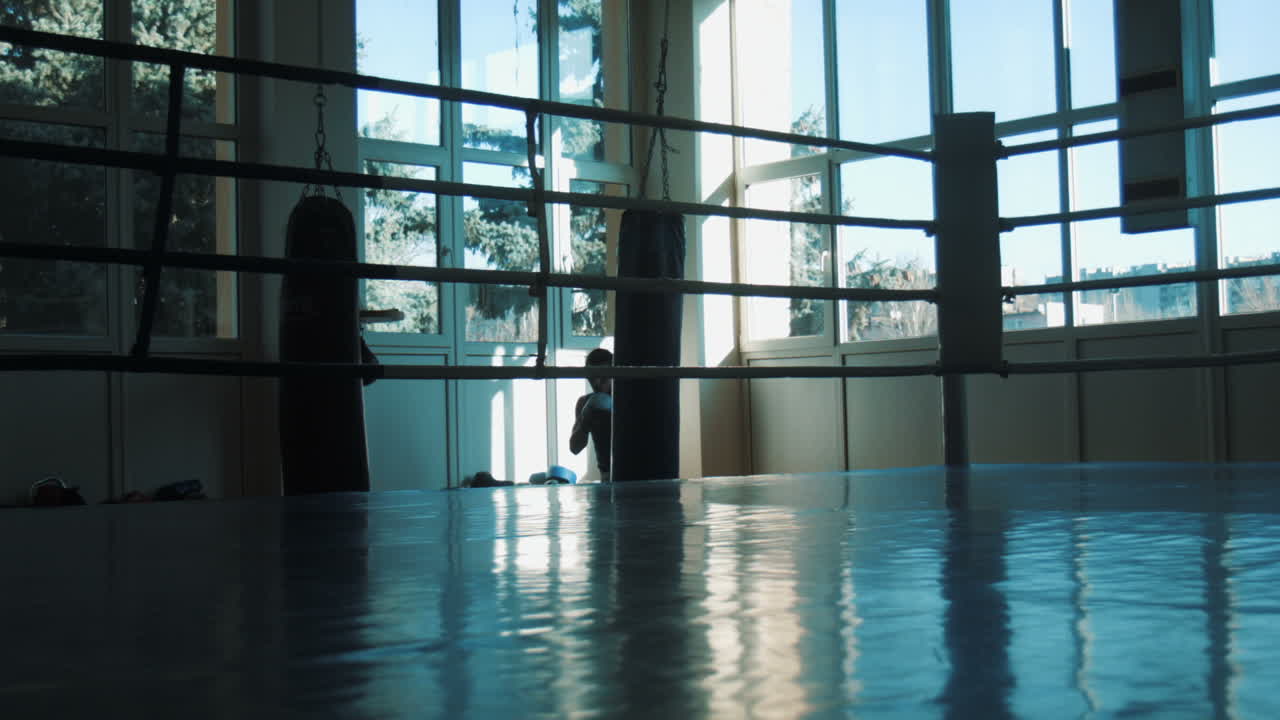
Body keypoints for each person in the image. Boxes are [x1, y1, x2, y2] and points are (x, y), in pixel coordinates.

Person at [570, 348, 613, 482]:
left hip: (636, 475)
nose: (596, 383)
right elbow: (575, 448)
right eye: (592, 376)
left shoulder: (629, 399)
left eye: (603, 377)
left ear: (613, 373)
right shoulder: (585, 402)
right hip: (606, 476)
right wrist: (585, 417)